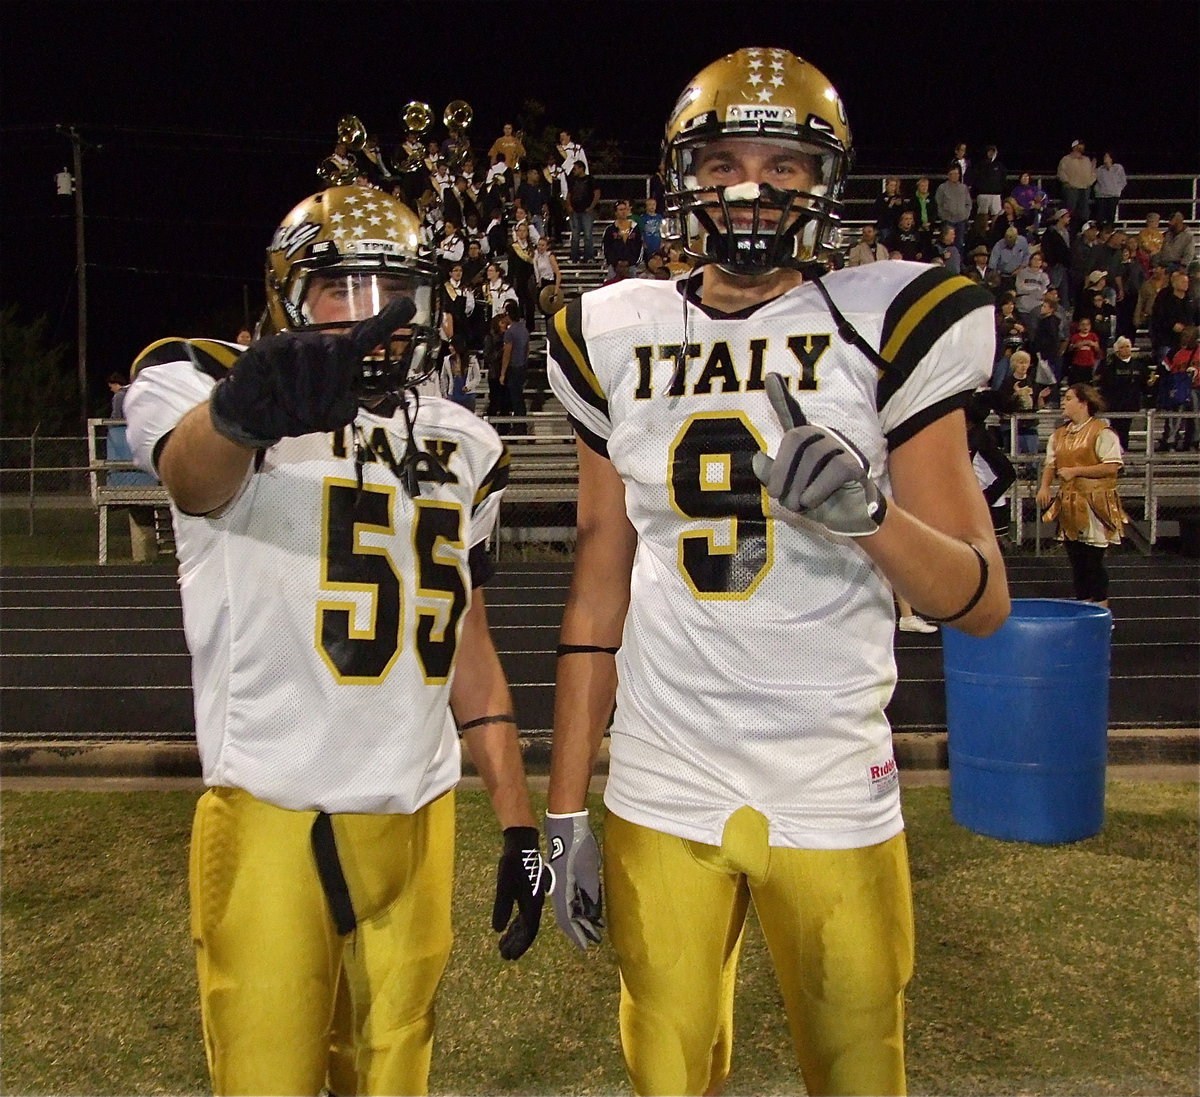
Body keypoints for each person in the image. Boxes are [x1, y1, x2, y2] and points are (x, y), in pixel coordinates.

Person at [543, 47, 1010, 1097]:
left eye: (783, 165)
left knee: (856, 1067)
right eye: (723, 163)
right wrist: (567, 802)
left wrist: (869, 516)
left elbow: (980, 599)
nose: (751, 187)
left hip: (831, 773)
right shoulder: (612, 330)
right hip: (664, 772)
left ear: (825, 183)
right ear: (683, 179)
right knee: (665, 1066)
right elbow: (597, 583)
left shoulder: (883, 319)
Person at [123, 184, 549, 1096]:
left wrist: (517, 820)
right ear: (285, 292)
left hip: (419, 818)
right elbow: (192, 478)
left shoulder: (464, 439)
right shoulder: (206, 382)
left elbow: (464, 634)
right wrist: (244, 412)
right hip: (275, 811)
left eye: (394, 292)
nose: (373, 319)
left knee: (398, 1077)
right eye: (340, 290)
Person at [1037, 384, 1128, 609]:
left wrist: (1076, 471)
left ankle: (1100, 608)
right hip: (1069, 502)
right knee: (1076, 560)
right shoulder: (1059, 435)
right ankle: (1083, 604)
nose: (1063, 403)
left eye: (1068, 398)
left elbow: (1111, 467)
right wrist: (1044, 487)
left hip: (1094, 502)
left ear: (1083, 403)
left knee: (1093, 561)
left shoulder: (1101, 432)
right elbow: (1051, 464)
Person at [1095, 335, 1150, 450]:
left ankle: (1124, 450)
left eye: (1127, 346)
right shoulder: (1109, 365)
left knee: (1125, 429)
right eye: (1122, 347)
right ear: (1117, 350)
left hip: (1131, 403)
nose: (1125, 349)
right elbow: (1104, 382)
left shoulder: (1138, 365)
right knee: (1114, 429)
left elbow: (1144, 384)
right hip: (1114, 403)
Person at [1056, 140, 1096, 226]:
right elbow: (1061, 173)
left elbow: (1092, 172)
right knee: (1070, 212)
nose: (1082, 147)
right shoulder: (1066, 159)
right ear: (1074, 147)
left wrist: (1090, 182)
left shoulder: (1086, 159)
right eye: (1080, 145)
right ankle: (1069, 230)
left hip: (1085, 189)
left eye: (1082, 145)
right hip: (1071, 189)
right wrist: (1068, 183)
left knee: (1084, 213)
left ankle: (1082, 229)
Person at [566, 160, 599, 263]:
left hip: (586, 211)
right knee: (575, 236)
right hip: (575, 211)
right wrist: (569, 206)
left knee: (588, 235)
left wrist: (591, 207)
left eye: (575, 168)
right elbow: (569, 195)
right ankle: (574, 257)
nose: (573, 171)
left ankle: (588, 257)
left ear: (581, 168)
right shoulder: (573, 180)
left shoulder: (590, 179)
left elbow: (597, 193)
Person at [1092, 152, 1127, 226]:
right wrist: (1093, 166)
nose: (1105, 158)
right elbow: (1092, 178)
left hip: (1113, 195)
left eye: (1107, 156)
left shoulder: (1118, 168)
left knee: (1111, 217)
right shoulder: (1100, 169)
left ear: (1111, 158)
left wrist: (1117, 190)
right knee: (1099, 217)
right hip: (1101, 196)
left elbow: (1123, 181)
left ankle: (1109, 232)